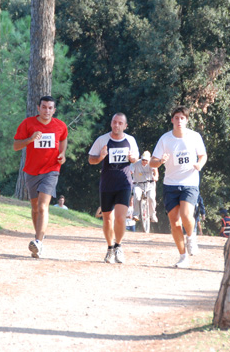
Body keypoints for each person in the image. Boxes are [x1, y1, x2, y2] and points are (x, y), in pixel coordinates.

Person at [150, 106, 207, 268]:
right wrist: (161, 161)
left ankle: (191, 236)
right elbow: (153, 162)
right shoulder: (165, 139)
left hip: (190, 182)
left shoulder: (194, 137)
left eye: (182, 118)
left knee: (186, 214)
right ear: (172, 120)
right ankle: (183, 257)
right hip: (170, 184)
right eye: (176, 118)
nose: (179, 121)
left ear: (187, 120)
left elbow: (203, 155)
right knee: (174, 223)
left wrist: (199, 164)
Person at [13, 95, 68, 258]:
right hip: (31, 170)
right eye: (44, 107)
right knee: (35, 207)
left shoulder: (60, 126)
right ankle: (38, 239)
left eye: (50, 108)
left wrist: (62, 153)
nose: (47, 110)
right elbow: (16, 145)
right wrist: (30, 139)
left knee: (43, 206)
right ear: (38, 108)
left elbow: (63, 139)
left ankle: (38, 242)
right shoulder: (28, 123)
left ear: (54, 110)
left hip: (51, 170)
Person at [88, 113, 139, 264]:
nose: (116, 125)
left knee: (120, 218)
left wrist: (132, 158)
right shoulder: (102, 140)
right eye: (114, 122)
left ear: (125, 126)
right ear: (111, 123)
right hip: (107, 184)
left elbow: (136, 158)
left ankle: (118, 246)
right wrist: (101, 157)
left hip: (124, 183)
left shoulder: (130, 140)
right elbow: (91, 159)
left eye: (120, 123)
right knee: (107, 219)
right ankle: (110, 248)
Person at [130, 150, 159, 223]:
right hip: (138, 184)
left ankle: (152, 215)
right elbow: (130, 171)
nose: (144, 161)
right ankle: (136, 214)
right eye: (143, 160)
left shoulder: (151, 164)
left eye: (146, 160)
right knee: (136, 195)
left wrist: (155, 177)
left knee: (151, 198)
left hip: (150, 184)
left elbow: (156, 173)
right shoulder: (136, 163)